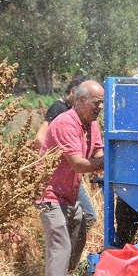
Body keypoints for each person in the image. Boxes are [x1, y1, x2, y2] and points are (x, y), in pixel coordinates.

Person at [38, 80, 104, 276]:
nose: (100, 107)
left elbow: (97, 155)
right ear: (81, 100)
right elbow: (77, 163)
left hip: (69, 195)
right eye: (97, 102)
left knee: (77, 237)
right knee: (61, 246)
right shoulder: (66, 123)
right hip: (50, 194)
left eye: (102, 103)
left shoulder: (92, 125)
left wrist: (112, 159)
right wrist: (109, 163)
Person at [35, 76, 97, 231]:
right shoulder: (59, 108)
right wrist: (60, 160)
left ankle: (66, 246)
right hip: (59, 175)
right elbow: (40, 138)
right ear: (74, 92)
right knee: (87, 215)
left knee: (79, 218)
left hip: (71, 171)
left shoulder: (79, 116)